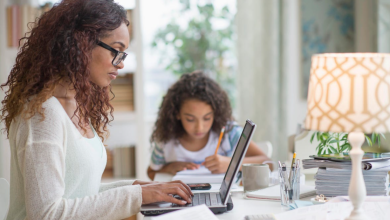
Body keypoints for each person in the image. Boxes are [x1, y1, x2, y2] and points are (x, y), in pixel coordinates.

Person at [1, 0, 192, 219]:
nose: (121, 64)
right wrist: (137, 195)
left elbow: (80, 195)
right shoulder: (43, 113)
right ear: (81, 44)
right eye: (116, 51)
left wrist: (138, 187)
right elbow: (47, 214)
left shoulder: (75, 105)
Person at [147, 71, 272, 180]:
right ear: (177, 114)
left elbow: (268, 163)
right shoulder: (166, 140)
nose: (200, 127)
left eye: (207, 118)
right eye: (190, 119)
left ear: (215, 113)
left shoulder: (229, 133)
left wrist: (232, 164)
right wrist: (169, 167)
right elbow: (151, 172)